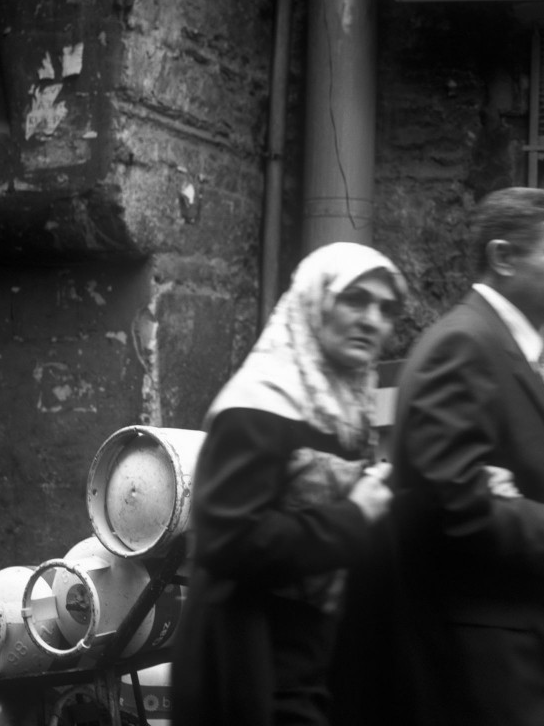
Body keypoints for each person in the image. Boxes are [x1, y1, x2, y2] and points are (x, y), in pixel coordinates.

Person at [368, 186, 544, 726]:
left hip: (520, 655)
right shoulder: (464, 346)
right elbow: (453, 501)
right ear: (503, 257)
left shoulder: (510, 347)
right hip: (486, 666)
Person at [171, 242, 408, 726]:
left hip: (313, 659)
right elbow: (227, 541)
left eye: (386, 309)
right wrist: (354, 516)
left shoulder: (342, 411)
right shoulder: (259, 405)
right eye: (355, 299)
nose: (372, 320)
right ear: (314, 302)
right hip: (250, 665)